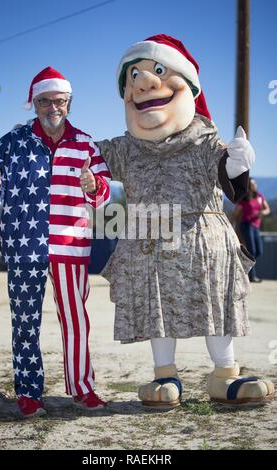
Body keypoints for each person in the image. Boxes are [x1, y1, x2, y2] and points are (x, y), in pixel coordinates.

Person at [97, 34, 274, 407]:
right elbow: (85, 156)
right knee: (156, 306)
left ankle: (225, 375)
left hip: (202, 240)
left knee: (213, 306)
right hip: (149, 243)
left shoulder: (204, 139)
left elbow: (229, 180)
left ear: (188, 87)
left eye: (159, 71)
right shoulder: (125, 148)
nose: (145, 83)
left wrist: (237, 162)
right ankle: (165, 376)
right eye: (134, 76)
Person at [0, 67, 111, 417]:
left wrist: (95, 187)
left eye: (60, 101)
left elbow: (104, 195)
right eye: (45, 101)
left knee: (76, 320)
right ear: (34, 103)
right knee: (24, 322)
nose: (53, 107)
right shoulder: (10, 142)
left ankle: (82, 389)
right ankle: (29, 393)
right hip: (24, 247)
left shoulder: (85, 143)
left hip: (71, 246)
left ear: (68, 103)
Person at [233, 178, 271, 282]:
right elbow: (236, 212)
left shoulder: (260, 197)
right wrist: (232, 223)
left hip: (256, 227)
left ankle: (244, 268)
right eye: (252, 184)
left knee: (259, 251)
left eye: (255, 184)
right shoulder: (244, 198)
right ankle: (252, 277)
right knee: (252, 251)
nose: (255, 185)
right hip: (247, 225)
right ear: (249, 186)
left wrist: (262, 212)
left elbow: (267, 209)